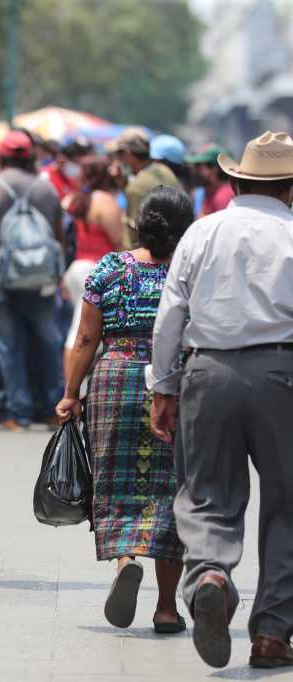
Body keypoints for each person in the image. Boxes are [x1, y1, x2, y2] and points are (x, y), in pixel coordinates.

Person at [148, 131, 293, 669]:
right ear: (290, 190)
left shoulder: (202, 232)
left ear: (236, 183)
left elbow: (170, 318)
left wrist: (163, 387)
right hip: (282, 372)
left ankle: (210, 572)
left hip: (206, 371)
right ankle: (272, 633)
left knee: (207, 494)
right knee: (288, 504)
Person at [56, 186, 192, 634]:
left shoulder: (111, 268)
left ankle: (126, 560)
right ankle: (167, 608)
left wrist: (70, 393)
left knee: (115, 485)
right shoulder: (189, 271)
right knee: (171, 491)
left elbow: (84, 338)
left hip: (114, 381)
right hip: (173, 384)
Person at [0, 130, 64, 431]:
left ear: (0, 157)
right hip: (42, 281)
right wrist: (57, 274)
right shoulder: (46, 190)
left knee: (10, 348)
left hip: (3, 281)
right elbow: (59, 236)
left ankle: (17, 412)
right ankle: (52, 409)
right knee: (47, 344)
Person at [62, 156, 125, 351]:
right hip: (96, 271)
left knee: (83, 330)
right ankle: (71, 372)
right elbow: (119, 241)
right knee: (81, 333)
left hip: (77, 269)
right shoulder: (105, 202)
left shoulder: (74, 199)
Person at [114, 128, 181, 248]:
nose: (119, 160)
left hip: (148, 254)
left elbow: (134, 236)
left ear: (128, 154)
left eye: (120, 155)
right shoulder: (165, 171)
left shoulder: (137, 186)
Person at [186, 143, 235, 218]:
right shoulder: (201, 193)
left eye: (198, 166)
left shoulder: (224, 196)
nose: (194, 171)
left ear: (215, 168)